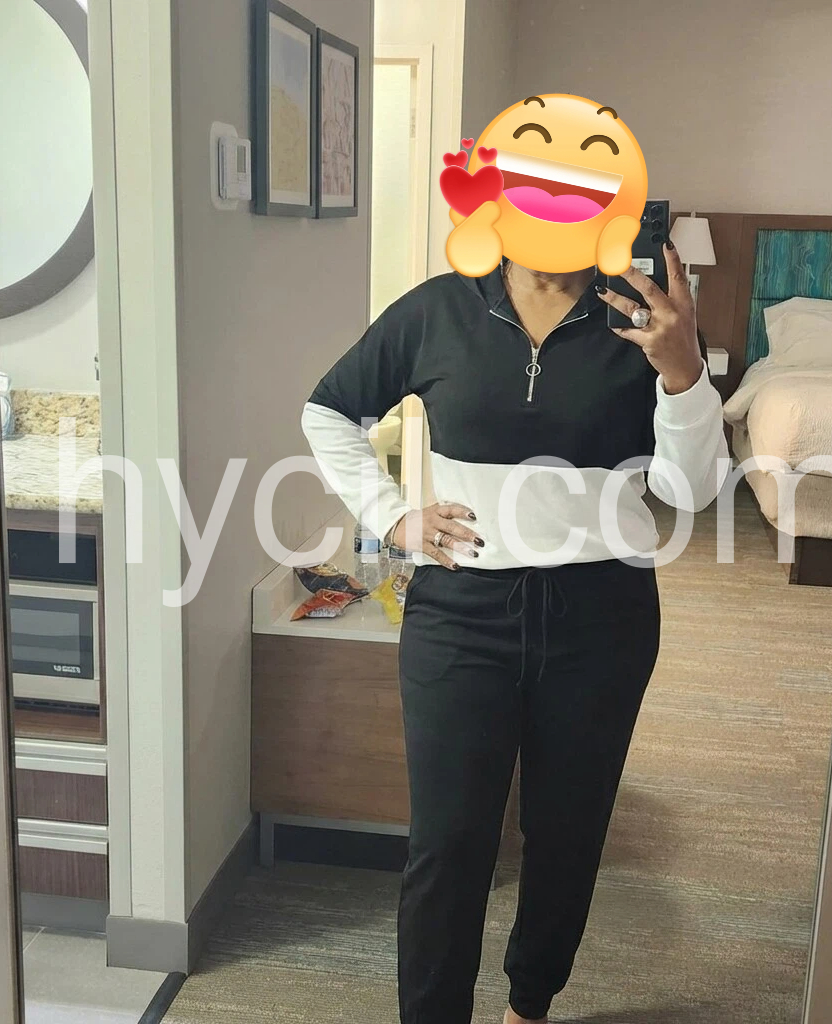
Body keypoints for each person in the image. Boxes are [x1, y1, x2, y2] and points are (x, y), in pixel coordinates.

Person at [302, 241, 727, 1024]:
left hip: (603, 615)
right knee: (448, 843)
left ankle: (529, 1005)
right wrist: (392, 516)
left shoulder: (641, 320)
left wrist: (683, 371)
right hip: (460, 611)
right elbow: (327, 409)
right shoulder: (438, 311)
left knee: (568, 832)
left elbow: (691, 489)